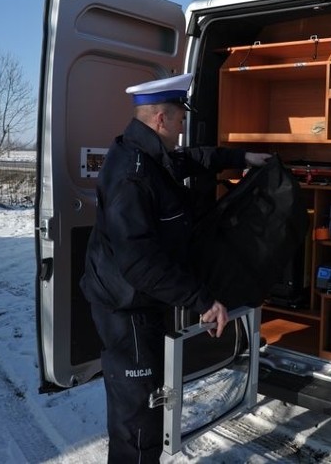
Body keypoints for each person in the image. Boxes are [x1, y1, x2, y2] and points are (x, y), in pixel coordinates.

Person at [79, 73, 270, 463]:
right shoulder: (132, 174)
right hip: (125, 308)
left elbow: (193, 158)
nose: (184, 123)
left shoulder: (150, 153)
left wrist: (240, 158)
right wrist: (201, 299)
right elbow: (138, 262)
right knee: (138, 415)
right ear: (161, 119)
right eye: (180, 116)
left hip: (140, 299)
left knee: (149, 401)